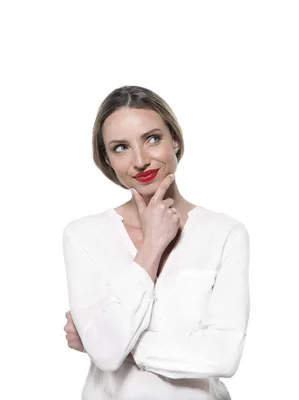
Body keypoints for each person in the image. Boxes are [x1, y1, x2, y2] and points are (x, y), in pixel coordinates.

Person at [61, 85, 250, 400]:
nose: (140, 161)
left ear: (174, 139)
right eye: (120, 147)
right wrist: (151, 247)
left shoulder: (226, 234)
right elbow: (106, 356)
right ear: (106, 159)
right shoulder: (83, 236)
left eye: (152, 139)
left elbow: (224, 355)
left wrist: (112, 344)